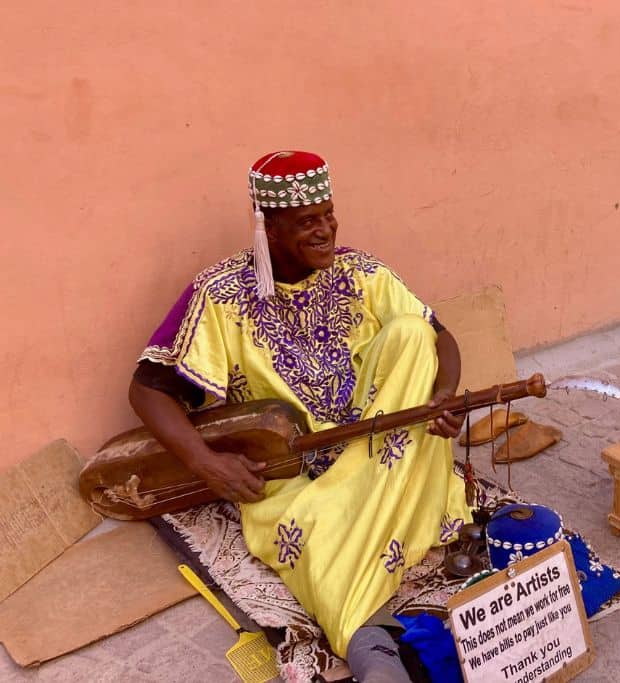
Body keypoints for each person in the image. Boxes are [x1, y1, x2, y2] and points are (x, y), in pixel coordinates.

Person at [128, 150, 472, 679]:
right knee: (309, 534)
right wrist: (205, 463)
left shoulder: (362, 271)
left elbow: (439, 336)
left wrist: (443, 396)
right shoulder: (219, 295)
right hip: (299, 473)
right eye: (308, 220)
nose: (326, 230)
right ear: (267, 226)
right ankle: (372, 644)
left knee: (409, 332)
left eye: (329, 215)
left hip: (383, 447)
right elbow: (148, 389)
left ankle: (361, 544)